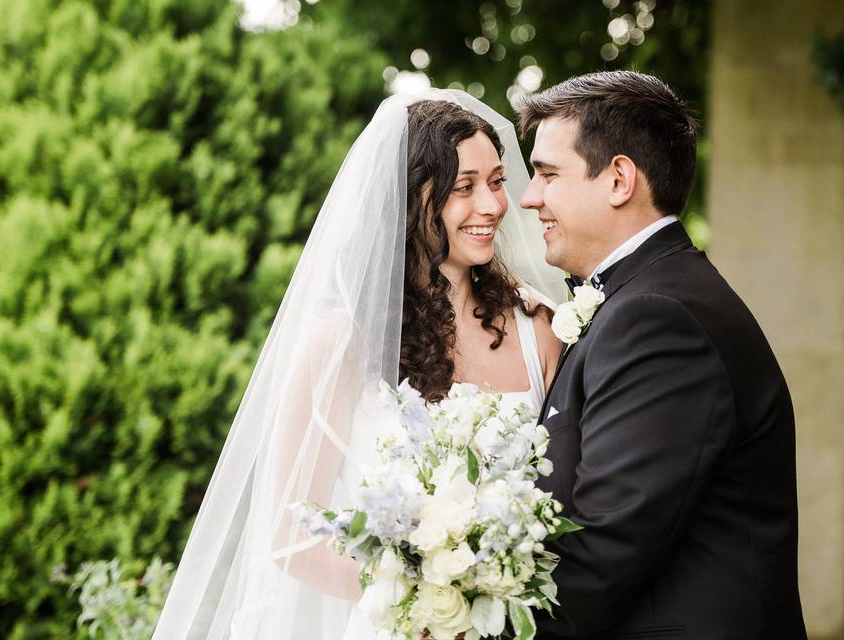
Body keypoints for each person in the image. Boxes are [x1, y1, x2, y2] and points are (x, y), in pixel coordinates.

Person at [152, 90, 564, 639]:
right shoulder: (343, 344)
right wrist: (432, 603)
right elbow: (291, 532)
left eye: (495, 181)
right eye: (463, 188)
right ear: (410, 198)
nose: (492, 204)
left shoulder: (540, 328)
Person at [518, 70, 807, 639]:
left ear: (619, 179)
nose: (529, 198)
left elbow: (605, 548)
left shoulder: (656, 318)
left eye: (548, 174)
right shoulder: (646, 295)